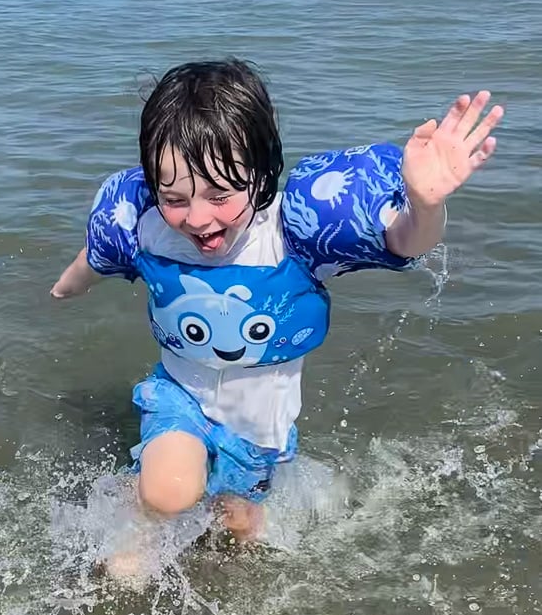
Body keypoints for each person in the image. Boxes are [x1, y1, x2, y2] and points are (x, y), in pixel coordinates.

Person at [51, 59, 503, 545]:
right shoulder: (147, 226)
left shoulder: (295, 235)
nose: (198, 218)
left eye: (220, 194)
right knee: (170, 492)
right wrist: (65, 287)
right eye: (176, 197)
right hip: (180, 400)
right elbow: (98, 256)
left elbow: (406, 242)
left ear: (262, 171)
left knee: (238, 534)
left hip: (260, 434)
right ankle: (136, 513)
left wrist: (425, 205)